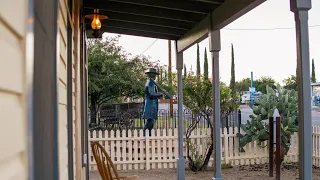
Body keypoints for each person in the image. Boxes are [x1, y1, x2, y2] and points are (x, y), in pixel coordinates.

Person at [142, 68, 163, 136]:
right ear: (150, 74)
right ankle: (145, 134)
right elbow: (151, 94)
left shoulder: (152, 83)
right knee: (149, 121)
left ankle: (149, 135)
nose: (155, 75)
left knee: (151, 121)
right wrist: (160, 94)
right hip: (150, 104)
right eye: (154, 74)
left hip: (152, 104)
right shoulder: (150, 82)